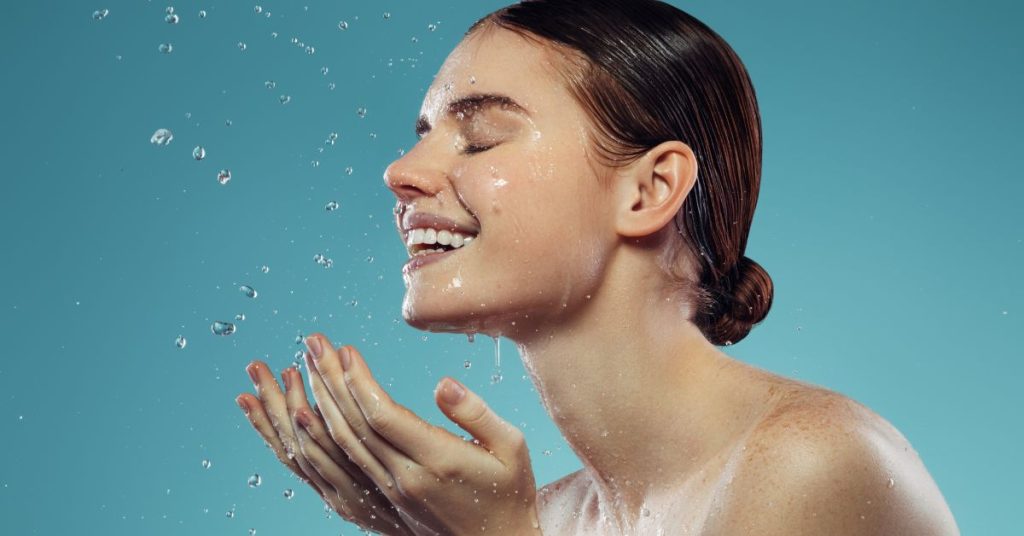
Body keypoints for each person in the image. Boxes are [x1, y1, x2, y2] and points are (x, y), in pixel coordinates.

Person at [236, 0, 960, 534]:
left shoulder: (811, 464)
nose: (401, 172)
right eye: (423, 136)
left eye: (481, 138)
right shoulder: (547, 518)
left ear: (649, 190)